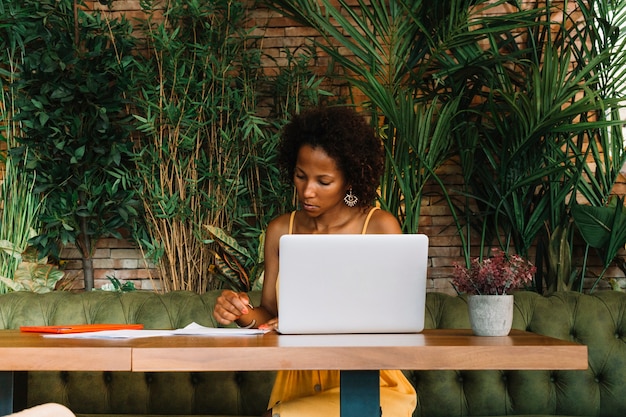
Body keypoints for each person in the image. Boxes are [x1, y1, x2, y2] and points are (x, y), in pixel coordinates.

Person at [212, 106, 417, 417]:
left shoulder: (380, 227)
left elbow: (398, 319)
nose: (307, 191)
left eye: (324, 181)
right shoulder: (281, 230)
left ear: (349, 181)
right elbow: (269, 312)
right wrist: (239, 312)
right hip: (298, 381)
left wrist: (315, 324)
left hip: (369, 382)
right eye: (300, 176)